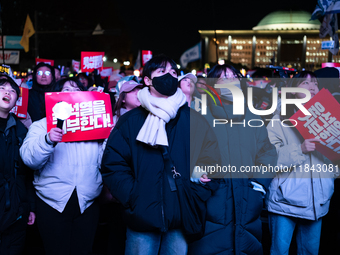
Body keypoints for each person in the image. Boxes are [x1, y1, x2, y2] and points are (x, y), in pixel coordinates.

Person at [100, 54, 219, 255]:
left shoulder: (193, 120)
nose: (169, 76)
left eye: (174, 72)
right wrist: (133, 196)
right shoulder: (130, 121)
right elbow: (114, 164)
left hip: (180, 213)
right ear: (147, 80)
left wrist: (196, 192)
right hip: (142, 216)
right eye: (162, 72)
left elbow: (211, 157)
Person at [188, 63, 277, 255]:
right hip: (211, 198)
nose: (230, 81)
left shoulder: (252, 116)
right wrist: (196, 174)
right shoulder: (199, 115)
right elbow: (186, 152)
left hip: (247, 199)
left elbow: (267, 152)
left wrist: (259, 186)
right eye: (223, 78)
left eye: (234, 77)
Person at [20, 77, 103, 255]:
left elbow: (105, 162)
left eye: (77, 89)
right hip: (52, 203)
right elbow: (29, 160)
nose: (72, 93)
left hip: (87, 202)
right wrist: (47, 140)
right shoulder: (41, 126)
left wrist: (105, 135)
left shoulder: (94, 127)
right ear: (55, 96)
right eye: (66, 90)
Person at [266, 71, 335, 255]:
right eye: (305, 83)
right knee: (279, 251)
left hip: (317, 202)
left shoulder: (329, 118)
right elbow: (268, 158)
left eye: (315, 83)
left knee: (310, 252)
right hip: (285, 201)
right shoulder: (280, 117)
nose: (312, 87)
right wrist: (300, 149)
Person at [0, 75, 35, 255]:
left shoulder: (22, 131)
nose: (8, 92)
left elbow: (26, 174)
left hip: (16, 213)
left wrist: (30, 206)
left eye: (13, 90)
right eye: (2, 88)